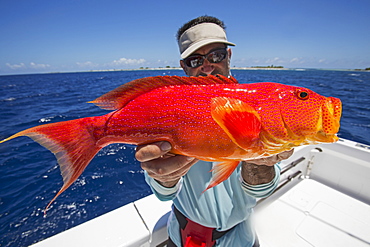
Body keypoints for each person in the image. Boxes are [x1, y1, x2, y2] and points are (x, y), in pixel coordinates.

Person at [136, 16, 293, 247]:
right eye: (194, 60)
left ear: (228, 56)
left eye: (216, 55)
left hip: (241, 238)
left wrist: (258, 160)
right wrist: (164, 178)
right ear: (183, 66)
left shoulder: (257, 106)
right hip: (182, 235)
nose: (207, 66)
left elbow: (263, 189)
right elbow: (163, 194)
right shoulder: (168, 112)